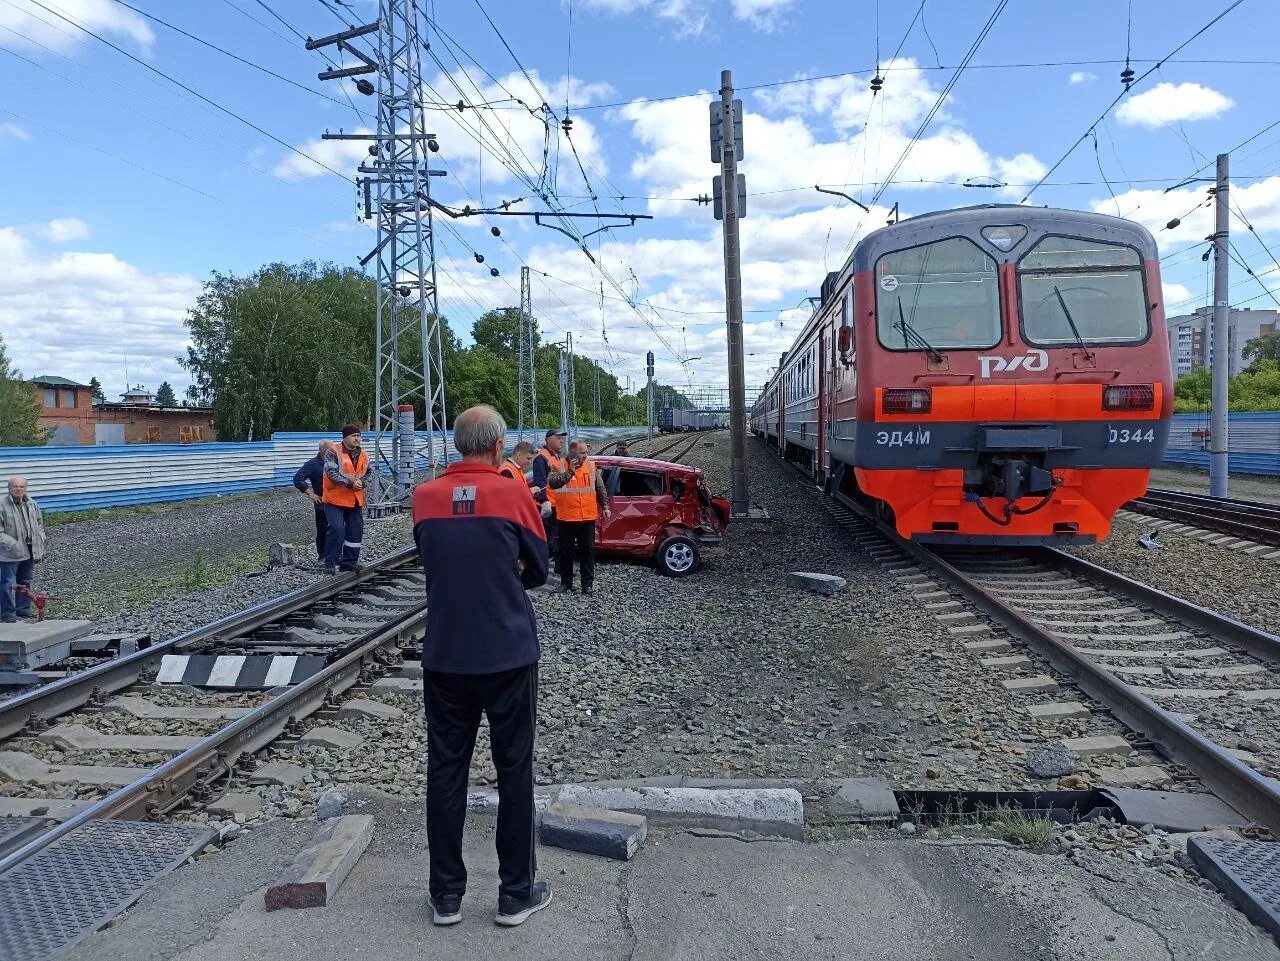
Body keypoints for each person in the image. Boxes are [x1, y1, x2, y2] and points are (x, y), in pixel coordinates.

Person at [411, 404, 552, 928]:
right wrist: (508, 563)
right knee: (514, 770)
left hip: (445, 655)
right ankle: (515, 894)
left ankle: (446, 896)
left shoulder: (423, 498)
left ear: (456, 445)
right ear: (497, 448)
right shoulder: (513, 493)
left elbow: (436, 560)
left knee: (445, 770)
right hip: (508, 654)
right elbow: (538, 569)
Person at [547, 439, 610, 596]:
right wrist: (570, 472)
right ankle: (566, 583)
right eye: (582, 453)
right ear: (573, 452)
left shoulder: (590, 466)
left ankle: (587, 585)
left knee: (587, 551)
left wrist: (606, 507)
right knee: (565, 552)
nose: (586, 456)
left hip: (587, 518)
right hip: (566, 518)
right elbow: (553, 483)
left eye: (587, 452)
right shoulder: (559, 465)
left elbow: (600, 487)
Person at [322, 424, 372, 574]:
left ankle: (349, 562)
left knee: (355, 531)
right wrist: (350, 483)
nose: (357, 439)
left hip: (355, 499)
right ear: (345, 437)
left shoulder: (364, 454)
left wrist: (362, 483)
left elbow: (368, 473)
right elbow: (331, 472)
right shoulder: (333, 451)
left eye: (358, 436)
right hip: (334, 499)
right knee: (337, 528)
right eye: (354, 436)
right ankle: (330, 562)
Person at [0, 477, 46, 624]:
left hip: (30, 549)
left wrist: (41, 537)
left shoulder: (32, 504)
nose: (18, 489)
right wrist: (13, 544)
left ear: (26, 488)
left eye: (21, 486)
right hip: (9, 553)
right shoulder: (2, 505)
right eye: (15, 486)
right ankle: (7, 614)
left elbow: (39, 522)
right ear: (9, 488)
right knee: (7, 583)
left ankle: (23, 609)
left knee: (25, 580)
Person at [531, 430, 568, 572]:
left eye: (562, 439)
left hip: (557, 504)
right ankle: (555, 567)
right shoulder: (542, 458)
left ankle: (556, 566)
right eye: (558, 438)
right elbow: (540, 481)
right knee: (555, 538)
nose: (561, 441)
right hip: (549, 506)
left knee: (557, 537)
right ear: (548, 440)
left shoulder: (555, 457)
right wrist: (544, 500)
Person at [293, 441, 335, 563]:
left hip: (338, 502)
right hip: (322, 504)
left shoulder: (336, 462)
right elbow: (297, 478)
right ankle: (323, 556)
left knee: (337, 529)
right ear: (323, 450)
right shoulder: (313, 464)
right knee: (323, 530)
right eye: (330, 449)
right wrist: (310, 493)